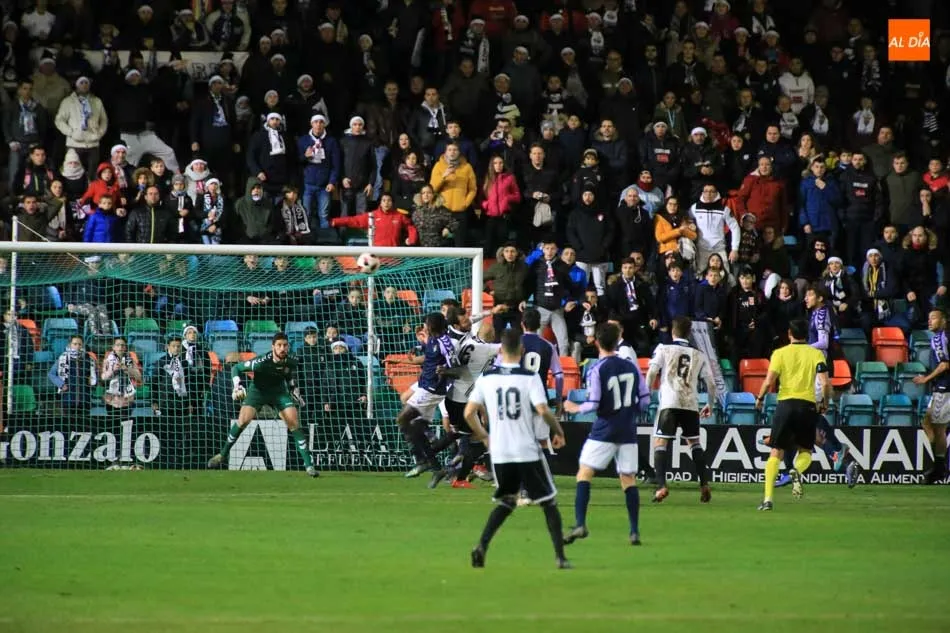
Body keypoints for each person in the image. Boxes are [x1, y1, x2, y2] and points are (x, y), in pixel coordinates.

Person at [464, 327, 569, 569]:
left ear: (500, 350)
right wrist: (559, 431)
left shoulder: (487, 378)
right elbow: (543, 410)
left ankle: (481, 546)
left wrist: (484, 437)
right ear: (521, 351)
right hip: (526, 450)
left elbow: (469, 413)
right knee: (549, 502)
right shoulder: (529, 377)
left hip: (500, 453)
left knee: (507, 501)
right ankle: (560, 558)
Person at [562, 322, 649, 546]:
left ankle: (580, 524)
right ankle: (634, 531)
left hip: (605, 429)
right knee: (628, 479)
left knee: (584, 474)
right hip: (628, 429)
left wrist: (574, 408)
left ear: (598, 342)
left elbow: (594, 403)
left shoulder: (597, 369)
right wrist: (631, 411)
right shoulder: (632, 366)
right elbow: (646, 400)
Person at [207, 333, 318, 477]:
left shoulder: (292, 360)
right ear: (273, 347)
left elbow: (288, 375)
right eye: (279, 345)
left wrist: (293, 389)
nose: (282, 348)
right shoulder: (261, 361)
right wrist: (237, 386)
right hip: (257, 391)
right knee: (243, 421)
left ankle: (309, 466)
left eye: (285, 345)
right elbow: (237, 368)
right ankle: (222, 455)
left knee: (294, 423)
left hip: (279, 393)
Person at [754, 318, 831, 511]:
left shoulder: (779, 353)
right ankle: (796, 471)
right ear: (807, 334)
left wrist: (760, 398)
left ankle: (768, 499)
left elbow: (769, 380)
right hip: (807, 405)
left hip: (786, 405)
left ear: (789, 334)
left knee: (776, 452)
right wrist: (824, 403)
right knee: (805, 451)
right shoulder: (816, 354)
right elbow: (826, 383)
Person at [646, 317, 718, 503]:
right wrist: (710, 403)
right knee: (694, 443)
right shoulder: (699, 354)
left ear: (672, 331)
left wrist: (646, 393)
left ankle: (661, 486)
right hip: (690, 404)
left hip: (669, 402)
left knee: (660, 443)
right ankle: (704, 484)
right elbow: (710, 382)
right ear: (689, 333)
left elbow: (652, 372)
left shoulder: (664, 348)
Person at [399, 312, 461, 477]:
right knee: (415, 426)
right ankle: (435, 467)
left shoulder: (445, 343)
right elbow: (429, 349)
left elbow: (457, 369)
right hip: (425, 386)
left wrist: (445, 370)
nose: (424, 326)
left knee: (403, 419)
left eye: (426, 323)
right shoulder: (433, 338)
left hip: (432, 389)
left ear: (432, 325)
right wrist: (418, 347)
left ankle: (422, 461)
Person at [912, 310, 950, 484]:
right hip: (942, 387)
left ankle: (938, 465)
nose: (930, 321)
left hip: (945, 386)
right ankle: (939, 466)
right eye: (928, 318)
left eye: (933, 318)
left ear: (944, 320)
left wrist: (925, 379)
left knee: (930, 423)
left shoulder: (941, 337)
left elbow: (945, 364)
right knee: (936, 426)